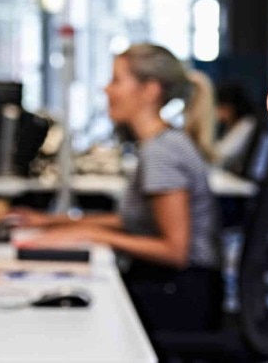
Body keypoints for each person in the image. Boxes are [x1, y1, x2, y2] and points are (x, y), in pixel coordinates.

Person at [12, 43, 222, 335]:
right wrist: (49, 222)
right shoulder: (160, 144)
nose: (106, 90)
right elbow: (134, 221)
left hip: (179, 295)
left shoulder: (162, 152)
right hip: (173, 286)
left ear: (150, 90)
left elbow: (175, 251)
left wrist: (91, 235)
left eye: (116, 80)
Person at [213, 82, 260, 174]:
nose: (216, 112)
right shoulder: (229, 124)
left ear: (230, 107)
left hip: (240, 178)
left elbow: (223, 155)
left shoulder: (246, 124)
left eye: (219, 107)